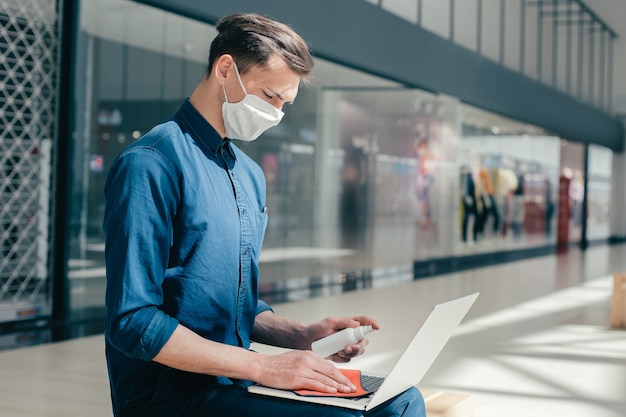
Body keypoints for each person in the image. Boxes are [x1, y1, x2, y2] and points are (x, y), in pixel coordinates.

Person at [103, 13, 426, 417]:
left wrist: (303, 337)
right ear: (225, 69)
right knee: (391, 412)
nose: (276, 112)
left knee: (400, 396)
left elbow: (230, 302)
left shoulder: (248, 175)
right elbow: (132, 321)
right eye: (270, 96)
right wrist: (263, 365)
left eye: (285, 104)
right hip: (172, 396)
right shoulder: (152, 164)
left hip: (235, 381)